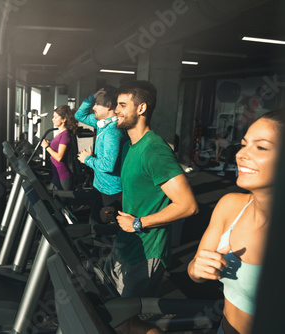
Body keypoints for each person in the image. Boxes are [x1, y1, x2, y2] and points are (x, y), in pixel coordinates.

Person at [105, 80, 199, 333]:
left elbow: (188, 206)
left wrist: (139, 222)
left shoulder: (155, 150)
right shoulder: (129, 146)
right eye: (116, 105)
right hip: (125, 243)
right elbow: (140, 191)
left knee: (128, 322)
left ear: (142, 108)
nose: (116, 111)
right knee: (116, 315)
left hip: (147, 250)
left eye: (123, 105)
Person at [188, 110, 283, 334]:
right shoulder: (230, 205)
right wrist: (197, 269)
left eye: (261, 147)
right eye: (244, 144)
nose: (240, 154)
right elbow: (194, 270)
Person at [75, 86, 129, 223]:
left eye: (97, 103)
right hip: (100, 186)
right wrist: (93, 96)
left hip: (111, 191)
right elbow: (79, 115)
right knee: (93, 223)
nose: (93, 107)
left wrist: (87, 159)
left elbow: (108, 165)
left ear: (109, 105)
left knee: (103, 229)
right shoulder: (101, 123)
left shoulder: (112, 132)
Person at [41, 105, 78, 191]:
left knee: (61, 202)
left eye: (55, 117)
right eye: (53, 117)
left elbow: (59, 157)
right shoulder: (59, 134)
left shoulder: (65, 135)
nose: (52, 119)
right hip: (56, 174)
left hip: (63, 176)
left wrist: (47, 147)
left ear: (64, 119)